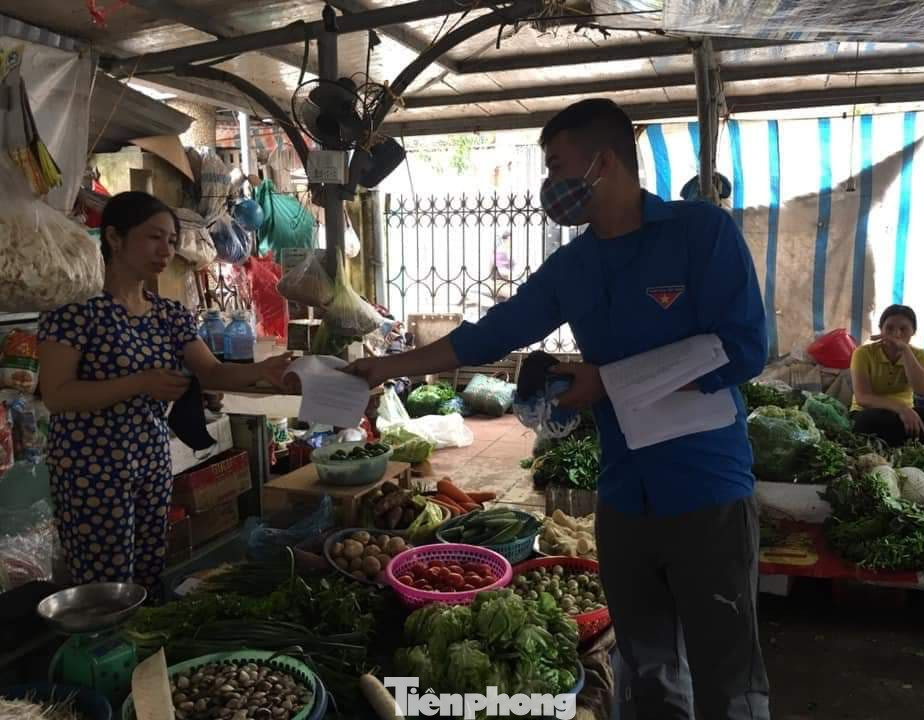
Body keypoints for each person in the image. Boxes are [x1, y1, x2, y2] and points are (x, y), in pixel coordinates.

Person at [346, 99, 770, 719]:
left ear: (605, 160)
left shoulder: (700, 232)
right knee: (646, 670)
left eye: (557, 163)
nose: (549, 183)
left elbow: (742, 349)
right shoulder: (575, 265)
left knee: (727, 675)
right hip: (624, 496)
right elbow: (488, 335)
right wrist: (382, 367)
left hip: (707, 490)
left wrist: (611, 382)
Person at [38, 191, 292, 594]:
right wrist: (140, 384)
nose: (166, 250)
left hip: (151, 460)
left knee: (150, 569)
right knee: (106, 583)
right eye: (155, 237)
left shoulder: (168, 313)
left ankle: (144, 648)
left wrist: (265, 372)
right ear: (115, 238)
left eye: (172, 241)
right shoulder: (74, 310)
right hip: (91, 468)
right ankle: (106, 651)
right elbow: (57, 394)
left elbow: (211, 371)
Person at [850, 304, 924, 447]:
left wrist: (905, 350)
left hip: (906, 413)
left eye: (904, 329)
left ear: (913, 331)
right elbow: (862, 397)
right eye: (889, 328)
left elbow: (922, 390)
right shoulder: (863, 353)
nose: (896, 334)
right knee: (868, 421)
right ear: (881, 329)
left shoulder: (920, 356)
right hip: (868, 411)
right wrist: (900, 408)